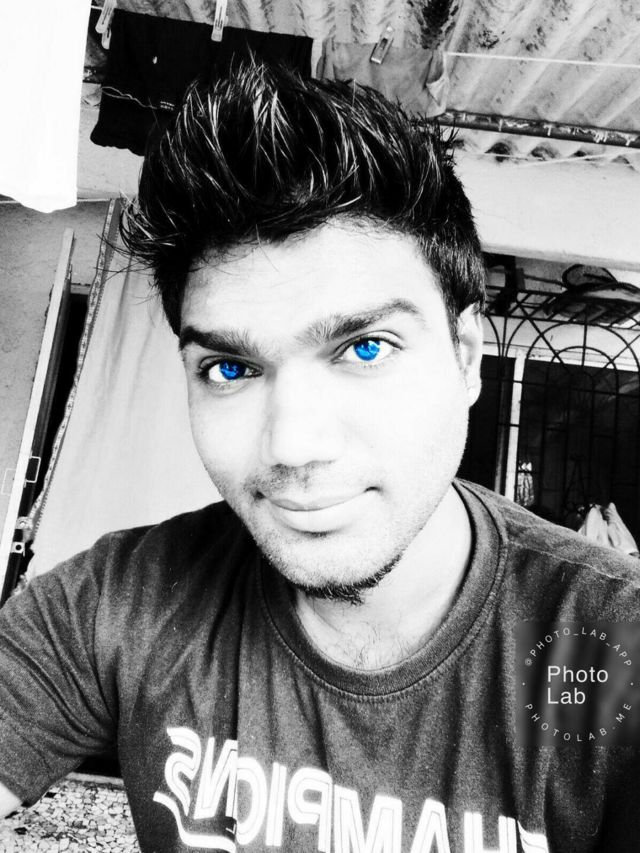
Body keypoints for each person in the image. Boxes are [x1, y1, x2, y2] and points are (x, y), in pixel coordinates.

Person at [0, 61, 639, 853]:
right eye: (230, 368)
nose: (293, 446)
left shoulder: (613, 642)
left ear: (467, 355)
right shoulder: (116, 603)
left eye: (365, 347)